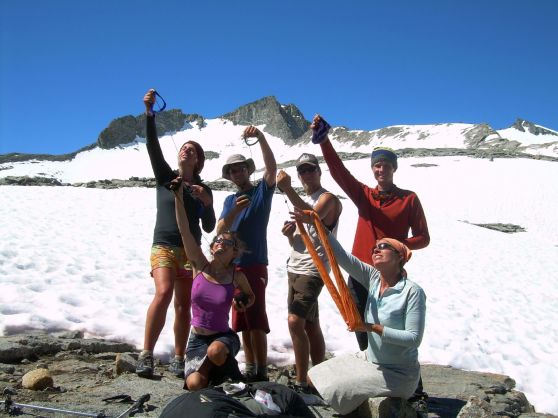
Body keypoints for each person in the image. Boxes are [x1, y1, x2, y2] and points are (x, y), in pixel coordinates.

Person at [311, 114, 430, 403]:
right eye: (377, 165)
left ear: (394, 169)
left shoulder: (409, 199)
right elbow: (339, 174)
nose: (381, 170)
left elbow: (423, 237)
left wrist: (398, 244)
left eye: (386, 165)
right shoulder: (365, 195)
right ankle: (371, 377)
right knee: (360, 325)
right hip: (361, 273)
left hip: (390, 276)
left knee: (397, 330)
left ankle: (415, 389)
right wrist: (324, 140)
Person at [291, 209, 425, 416]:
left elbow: (413, 339)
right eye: (375, 248)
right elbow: (341, 256)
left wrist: (371, 328)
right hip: (369, 359)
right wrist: (317, 226)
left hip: (398, 373)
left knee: (332, 390)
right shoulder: (372, 277)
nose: (376, 250)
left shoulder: (412, 291)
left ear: (400, 256)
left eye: (384, 247)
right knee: (314, 377)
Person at [137, 89, 216, 379]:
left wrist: (206, 204)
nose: (187, 150)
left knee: (184, 305)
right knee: (163, 292)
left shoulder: (203, 190)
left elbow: (208, 226)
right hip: (164, 245)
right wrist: (149, 113)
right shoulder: (165, 178)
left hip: (190, 250)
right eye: (184, 148)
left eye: (192, 150)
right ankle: (146, 354)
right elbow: (151, 146)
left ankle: (180, 356)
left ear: (198, 161)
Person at [172, 179, 255, 390]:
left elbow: (250, 295)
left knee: (216, 352)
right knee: (193, 384)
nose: (221, 243)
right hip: (197, 339)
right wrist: (177, 195)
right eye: (218, 240)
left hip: (223, 339)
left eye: (227, 242)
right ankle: (218, 378)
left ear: (234, 252)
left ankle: (235, 376)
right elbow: (185, 230)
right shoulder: (200, 266)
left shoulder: (236, 275)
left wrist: (243, 301)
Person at [276, 153, 342, 391]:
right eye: (302, 171)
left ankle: (302, 380)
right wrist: (290, 235)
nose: (306, 175)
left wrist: (287, 189)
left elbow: (313, 215)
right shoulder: (306, 199)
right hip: (295, 268)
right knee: (310, 324)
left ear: (319, 171)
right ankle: (318, 376)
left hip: (313, 271)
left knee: (295, 322)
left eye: (310, 170)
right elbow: (304, 239)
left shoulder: (329, 199)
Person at [217, 126, 277, 381]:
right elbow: (219, 230)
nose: (237, 172)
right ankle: (250, 367)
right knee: (241, 318)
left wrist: (261, 137)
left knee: (256, 318)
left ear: (248, 170)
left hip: (254, 265)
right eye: (233, 170)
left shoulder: (260, 192)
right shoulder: (230, 201)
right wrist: (232, 213)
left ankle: (261, 370)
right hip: (235, 267)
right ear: (229, 176)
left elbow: (272, 169)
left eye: (240, 168)